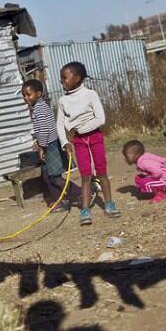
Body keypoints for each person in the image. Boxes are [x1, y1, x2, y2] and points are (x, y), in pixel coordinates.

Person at [56, 61, 121, 225]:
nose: (61, 81)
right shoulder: (63, 101)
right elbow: (59, 124)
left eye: (65, 77)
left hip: (95, 137)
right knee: (85, 175)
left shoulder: (91, 94)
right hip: (78, 142)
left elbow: (101, 118)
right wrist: (65, 142)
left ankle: (109, 204)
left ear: (77, 78)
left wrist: (80, 129)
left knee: (102, 172)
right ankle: (85, 210)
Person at [21, 79, 77, 212]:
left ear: (39, 94)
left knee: (55, 177)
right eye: (24, 95)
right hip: (50, 143)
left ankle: (79, 193)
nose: (26, 98)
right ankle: (60, 200)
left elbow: (45, 131)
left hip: (50, 145)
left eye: (29, 94)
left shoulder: (39, 109)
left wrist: (42, 146)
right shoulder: (40, 107)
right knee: (49, 176)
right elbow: (42, 129)